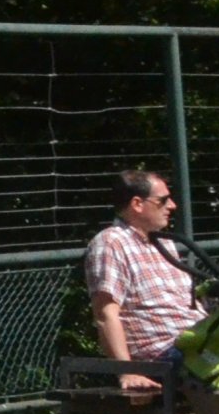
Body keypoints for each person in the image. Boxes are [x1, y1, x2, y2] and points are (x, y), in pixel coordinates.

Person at [84, 166, 201, 397]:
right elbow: (105, 315)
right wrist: (127, 372)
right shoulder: (111, 243)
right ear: (137, 204)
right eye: (163, 200)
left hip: (196, 342)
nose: (172, 206)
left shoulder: (164, 243)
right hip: (164, 354)